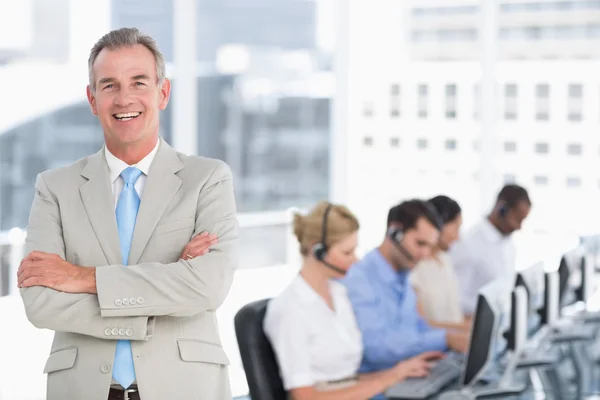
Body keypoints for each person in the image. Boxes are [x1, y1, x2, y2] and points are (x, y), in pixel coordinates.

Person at [16, 28, 238, 400]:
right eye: (109, 85)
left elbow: (208, 286)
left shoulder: (208, 179)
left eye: (139, 82)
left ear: (162, 92)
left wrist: (80, 278)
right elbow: (41, 304)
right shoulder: (54, 188)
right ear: (92, 99)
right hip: (83, 388)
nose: (124, 99)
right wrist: (164, 295)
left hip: (185, 387)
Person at [263, 201, 443, 400]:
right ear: (318, 251)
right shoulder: (291, 309)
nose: (356, 260)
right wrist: (384, 381)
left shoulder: (339, 294)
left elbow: (345, 379)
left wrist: (397, 372)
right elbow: (304, 397)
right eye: (347, 253)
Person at [343, 200, 469, 374]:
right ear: (395, 232)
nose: (425, 255)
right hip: (377, 384)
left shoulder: (404, 277)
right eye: (420, 244)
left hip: (410, 376)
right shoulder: (360, 278)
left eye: (430, 247)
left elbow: (419, 328)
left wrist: (461, 336)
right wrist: (445, 339)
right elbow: (375, 348)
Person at [450, 184, 531, 316]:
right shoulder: (469, 244)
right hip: (476, 323)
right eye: (517, 219)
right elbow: (456, 300)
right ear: (501, 209)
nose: (519, 227)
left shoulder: (507, 242)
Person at [409, 196, 470, 332]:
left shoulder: (445, 259)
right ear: (439, 225)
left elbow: (453, 315)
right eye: (456, 228)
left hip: (457, 344)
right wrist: (468, 329)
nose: (458, 237)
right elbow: (422, 325)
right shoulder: (415, 269)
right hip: (437, 347)